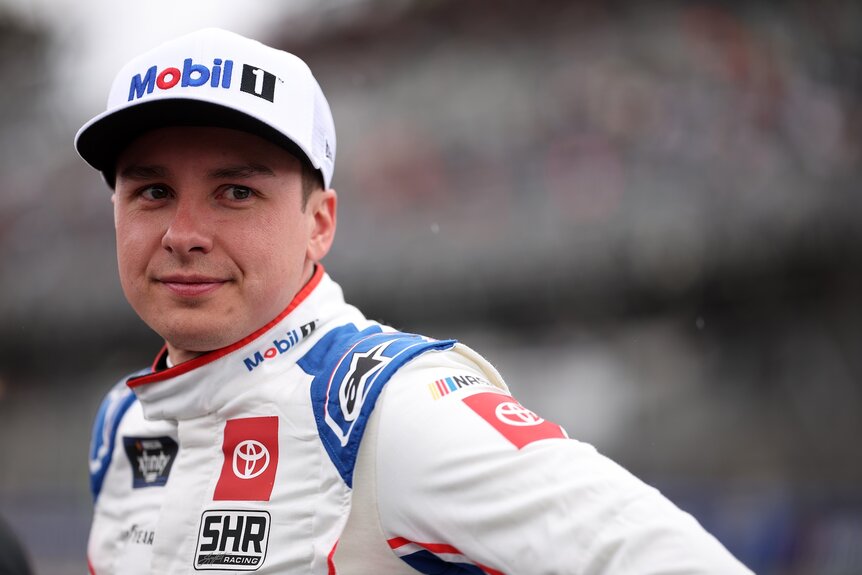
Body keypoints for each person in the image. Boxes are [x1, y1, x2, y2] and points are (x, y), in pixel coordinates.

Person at [76, 28, 752, 574]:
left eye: (236, 192)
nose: (184, 234)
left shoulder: (387, 409)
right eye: (153, 192)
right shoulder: (122, 422)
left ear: (320, 222)